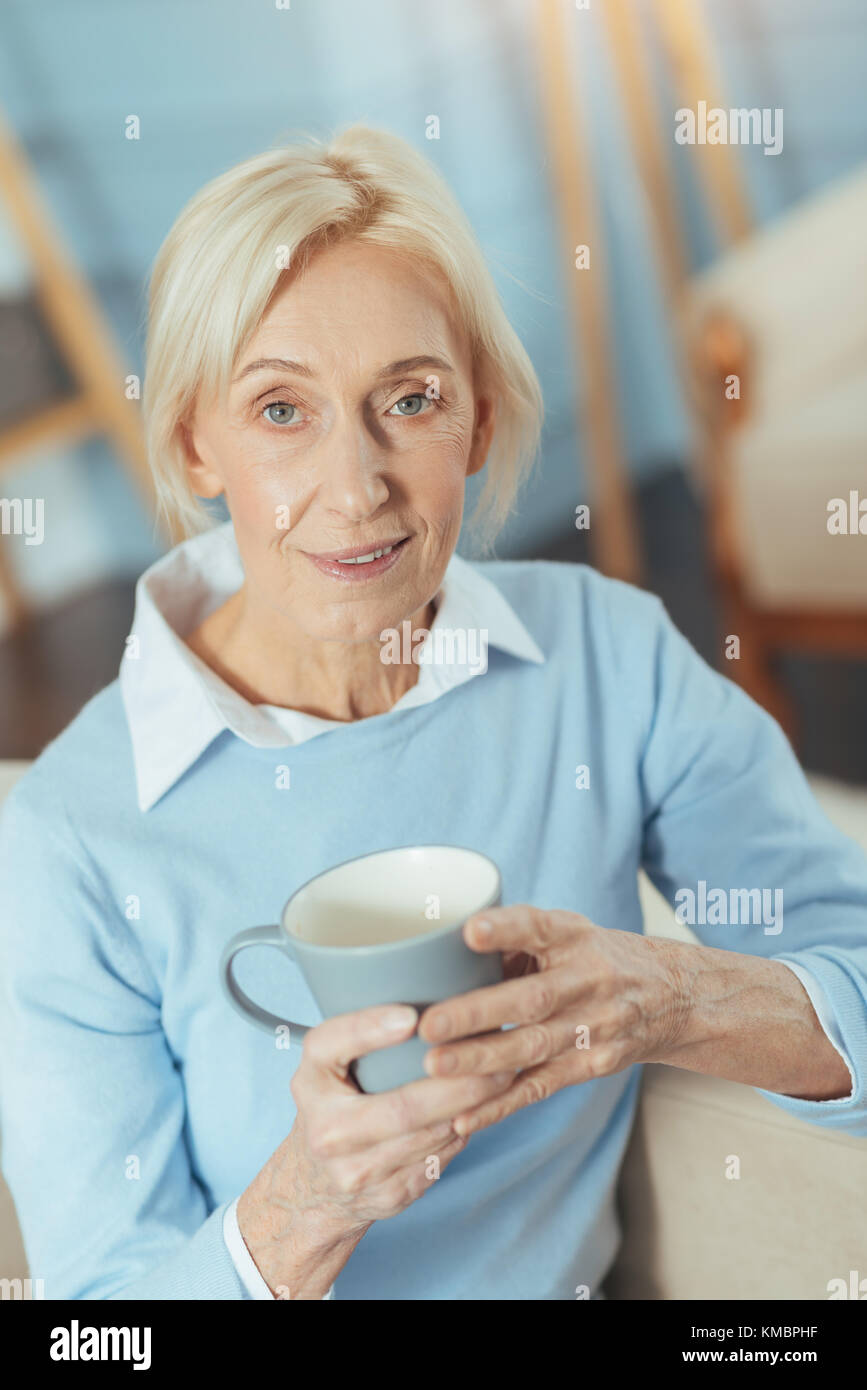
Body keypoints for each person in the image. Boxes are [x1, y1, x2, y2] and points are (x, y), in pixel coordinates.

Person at [0, 126, 863, 1302]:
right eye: (281, 411)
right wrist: (308, 1201)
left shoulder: (605, 660)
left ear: (484, 421)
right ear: (197, 439)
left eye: (409, 400)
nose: (356, 490)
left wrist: (668, 998)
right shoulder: (70, 837)